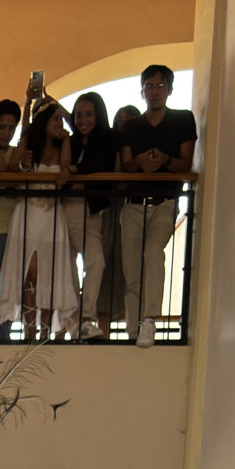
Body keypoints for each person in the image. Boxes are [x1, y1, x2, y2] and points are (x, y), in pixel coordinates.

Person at [119, 64, 196, 345]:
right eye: (149, 86)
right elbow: (126, 165)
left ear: (170, 89)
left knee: (153, 252)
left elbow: (185, 164)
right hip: (133, 204)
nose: (154, 91)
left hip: (165, 201)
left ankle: (150, 319)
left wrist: (164, 160)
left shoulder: (183, 120)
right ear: (142, 91)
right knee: (131, 270)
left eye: (160, 85)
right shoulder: (132, 126)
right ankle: (132, 329)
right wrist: (139, 162)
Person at [0, 103, 78, 340]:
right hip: (28, 213)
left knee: (50, 273)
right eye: (55, 119)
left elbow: (65, 168)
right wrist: (23, 163)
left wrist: (66, 141)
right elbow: (11, 170)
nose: (59, 124)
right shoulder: (28, 142)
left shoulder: (63, 145)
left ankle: (45, 330)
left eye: (61, 119)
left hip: (53, 215)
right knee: (30, 273)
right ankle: (30, 329)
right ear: (44, 121)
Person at [66, 90, 118, 340]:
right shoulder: (71, 142)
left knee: (92, 262)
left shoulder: (106, 140)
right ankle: (80, 320)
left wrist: (76, 171)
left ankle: (80, 321)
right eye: (78, 115)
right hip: (72, 207)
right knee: (80, 263)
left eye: (88, 114)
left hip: (93, 210)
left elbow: (100, 166)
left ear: (98, 116)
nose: (83, 120)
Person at [0, 99, 22, 336]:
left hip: (11, 228)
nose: (6, 133)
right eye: (1, 127)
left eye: (11, 128)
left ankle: (3, 335)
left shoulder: (15, 155)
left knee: (9, 286)